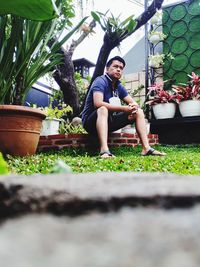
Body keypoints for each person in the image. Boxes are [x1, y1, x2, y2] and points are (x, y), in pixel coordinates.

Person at [82, 56, 166, 158]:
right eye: (115, 66)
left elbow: (133, 103)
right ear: (107, 68)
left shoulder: (118, 86)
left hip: (109, 121)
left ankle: (146, 148)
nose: (118, 69)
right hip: (91, 123)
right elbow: (98, 103)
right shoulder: (100, 81)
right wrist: (124, 109)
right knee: (103, 109)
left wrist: (132, 109)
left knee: (138, 111)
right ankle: (104, 151)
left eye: (121, 68)